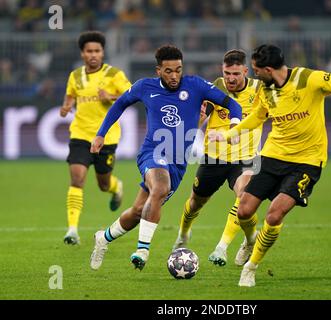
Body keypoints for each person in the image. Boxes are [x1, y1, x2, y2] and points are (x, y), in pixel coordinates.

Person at [209, 44, 331, 287]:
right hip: (273, 156)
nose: (254, 75)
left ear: (268, 69)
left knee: (275, 213)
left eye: (256, 70)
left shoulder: (309, 79)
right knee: (244, 211)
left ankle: (251, 267)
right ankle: (249, 242)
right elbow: (258, 115)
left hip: (307, 161)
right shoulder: (267, 89)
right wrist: (228, 135)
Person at [89, 45, 242, 271]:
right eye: (169, 71)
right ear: (158, 70)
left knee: (140, 210)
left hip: (179, 162)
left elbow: (233, 104)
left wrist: (234, 125)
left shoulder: (196, 85)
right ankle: (142, 249)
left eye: (178, 70)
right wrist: (101, 134)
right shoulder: (144, 87)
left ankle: (103, 238)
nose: (174, 76)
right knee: (160, 186)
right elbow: (119, 104)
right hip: (153, 152)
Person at [172, 49, 264, 267]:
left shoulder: (260, 90)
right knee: (196, 203)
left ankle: (224, 247)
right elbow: (200, 116)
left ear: (245, 71)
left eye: (235, 74)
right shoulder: (217, 87)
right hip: (214, 157)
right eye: (227, 73)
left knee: (244, 198)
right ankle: (184, 233)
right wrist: (198, 120)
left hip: (246, 157)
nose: (230, 78)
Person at [60, 31, 131, 245]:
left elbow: (131, 96)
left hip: (106, 138)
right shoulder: (75, 76)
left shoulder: (114, 75)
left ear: (102, 53)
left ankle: (115, 187)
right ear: (82, 53)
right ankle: (72, 230)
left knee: (103, 184)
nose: (93, 55)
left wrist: (110, 97)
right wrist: (66, 106)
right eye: (89, 51)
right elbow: (70, 95)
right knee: (77, 178)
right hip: (80, 134)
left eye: (97, 51)